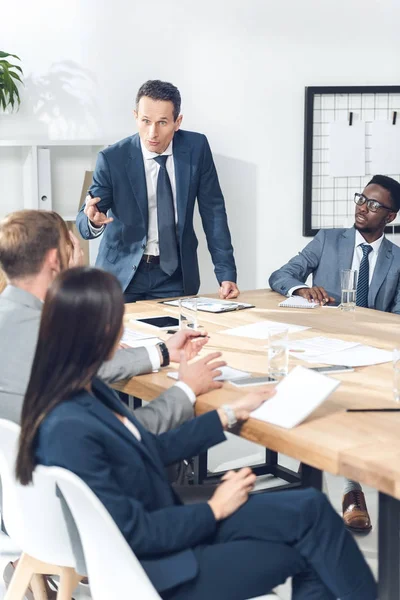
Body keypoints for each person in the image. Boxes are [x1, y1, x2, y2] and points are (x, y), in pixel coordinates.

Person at [16, 267, 377, 600]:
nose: (122, 333)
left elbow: (146, 450)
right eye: (117, 323)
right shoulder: (68, 427)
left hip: (167, 523)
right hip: (160, 566)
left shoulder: (83, 387)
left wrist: (227, 414)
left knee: (312, 508)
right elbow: (133, 532)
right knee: (310, 549)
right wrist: (215, 508)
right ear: (99, 333)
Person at [0, 210, 224, 428]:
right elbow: (123, 433)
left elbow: (92, 366)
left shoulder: (16, 314)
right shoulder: (50, 331)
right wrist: (187, 389)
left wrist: (162, 351)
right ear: (53, 259)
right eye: (68, 246)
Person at [269, 174, 400, 533]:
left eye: (374, 204)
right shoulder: (328, 240)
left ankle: (342, 483)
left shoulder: (397, 259)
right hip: (319, 345)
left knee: (363, 406)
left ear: (389, 217)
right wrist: (300, 289)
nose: (362, 207)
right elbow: (281, 274)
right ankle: (344, 487)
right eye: (361, 198)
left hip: (369, 353)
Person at [76, 79, 239, 302]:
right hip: (122, 275)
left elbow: (213, 213)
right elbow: (85, 222)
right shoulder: (112, 158)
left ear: (177, 121)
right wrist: (93, 221)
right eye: (145, 121)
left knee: (176, 335)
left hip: (173, 274)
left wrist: (225, 273)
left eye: (162, 122)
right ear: (135, 117)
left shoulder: (196, 148)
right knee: (117, 337)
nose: (152, 132)